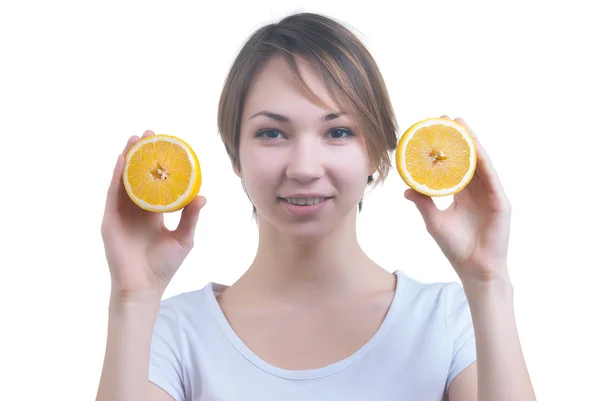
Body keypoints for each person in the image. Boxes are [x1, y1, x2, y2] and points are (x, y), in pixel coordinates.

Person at [95, 12, 536, 401]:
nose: (305, 168)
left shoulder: (451, 320)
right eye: (272, 133)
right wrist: (132, 297)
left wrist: (489, 279)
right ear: (235, 156)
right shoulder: (169, 332)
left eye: (338, 132)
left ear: (378, 153)